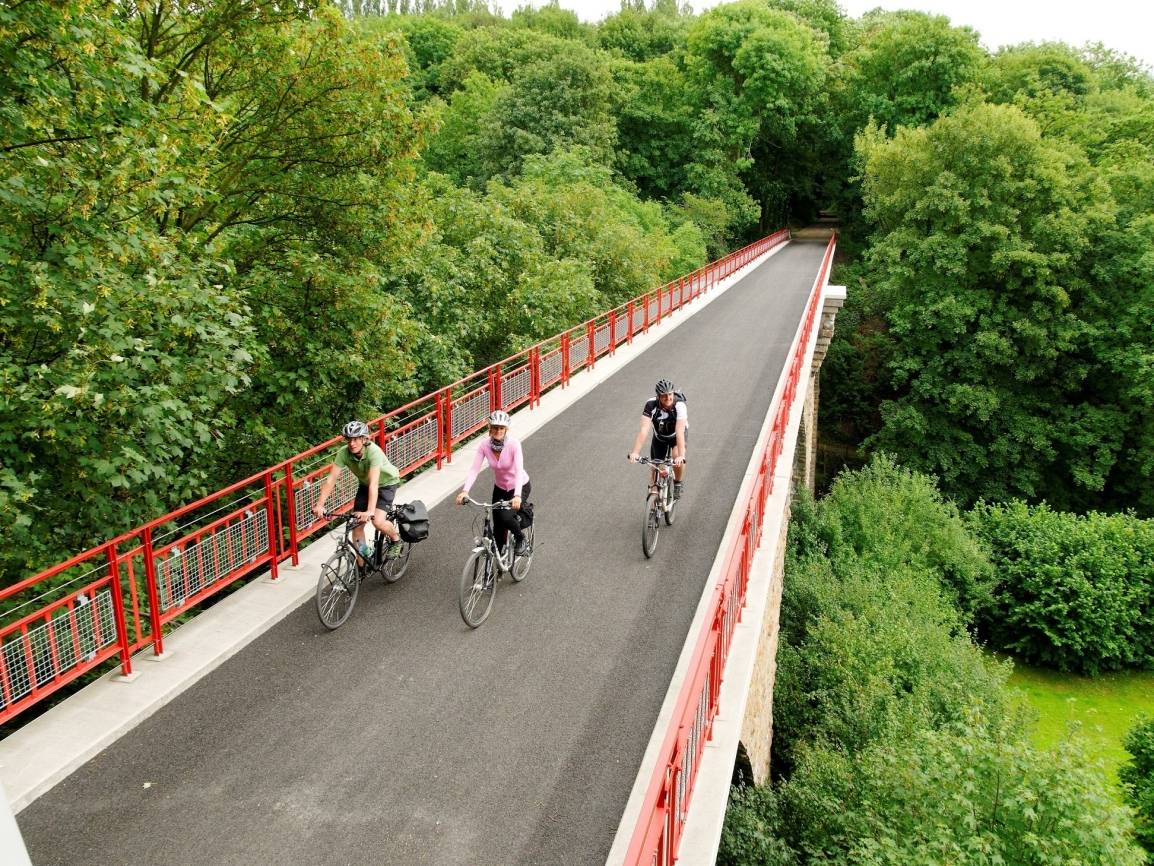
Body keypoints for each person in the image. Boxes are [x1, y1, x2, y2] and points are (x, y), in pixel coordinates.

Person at [312, 421, 404, 563]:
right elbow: (331, 480)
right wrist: (320, 505)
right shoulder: (343, 453)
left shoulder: (374, 452)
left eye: (355, 439)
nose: (352, 443)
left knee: (378, 522)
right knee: (356, 527)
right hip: (365, 485)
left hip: (386, 484)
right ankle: (362, 566)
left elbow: (374, 483)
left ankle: (396, 539)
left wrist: (369, 511)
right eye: (349, 439)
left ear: (364, 439)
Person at [455, 410, 532, 556]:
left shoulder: (514, 444)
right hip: (500, 488)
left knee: (505, 517)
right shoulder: (484, 445)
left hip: (520, 486)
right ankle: (495, 566)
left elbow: (518, 469)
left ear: (506, 429)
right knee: (497, 527)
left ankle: (521, 538)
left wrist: (517, 496)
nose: (498, 431)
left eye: (501, 428)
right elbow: (474, 469)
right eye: (495, 427)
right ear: (490, 428)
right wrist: (465, 491)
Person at [628, 378, 687, 498]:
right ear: (658, 396)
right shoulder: (651, 404)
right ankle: (654, 503)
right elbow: (644, 430)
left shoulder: (680, 405)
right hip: (659, 437)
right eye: (664, 396)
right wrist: (635, 452)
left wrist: (681, 456)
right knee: (655, 466)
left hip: (676, 436)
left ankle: (678, 483)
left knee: (676, 458)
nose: (668, 398)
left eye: (670, 394)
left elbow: (680, 431)